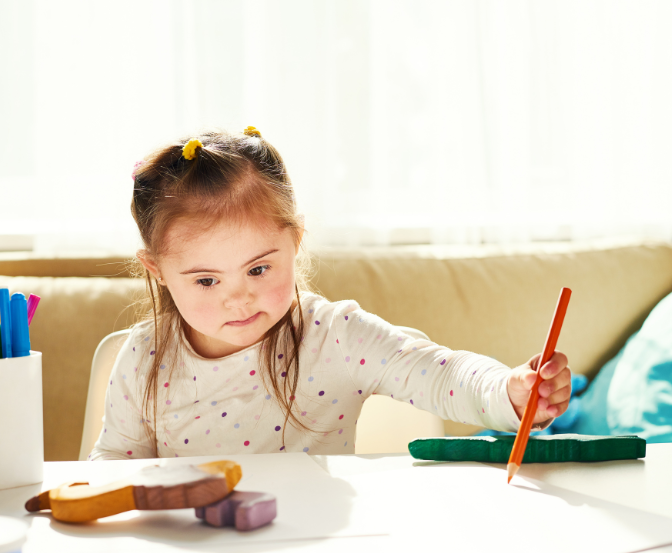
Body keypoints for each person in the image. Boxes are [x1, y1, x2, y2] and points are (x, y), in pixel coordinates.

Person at [89, 127, 571, 460]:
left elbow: (440, 374)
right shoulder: (144, 357)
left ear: (295, 241)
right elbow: (113, 465)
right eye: (207, 280)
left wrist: (509, 390)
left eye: (258, 269)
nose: (239, 300)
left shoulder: (335, 336)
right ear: (157, 270)